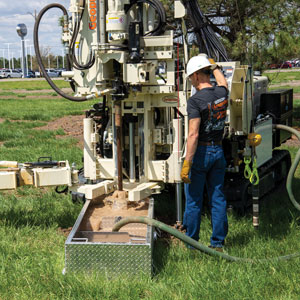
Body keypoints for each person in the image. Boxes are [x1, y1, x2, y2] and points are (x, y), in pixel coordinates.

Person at [180, 54, 228, 250]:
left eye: (191, 76)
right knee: (218, 198)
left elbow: (193, 134)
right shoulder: (222, 93)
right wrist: (214, 66)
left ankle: (192, 244)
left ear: (198, 76)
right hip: (218, 151)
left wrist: (187, 163)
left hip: (200, 153)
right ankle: (217, 243)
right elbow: (223, 80)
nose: (191, 80)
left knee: (193, 201)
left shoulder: (195, 101)